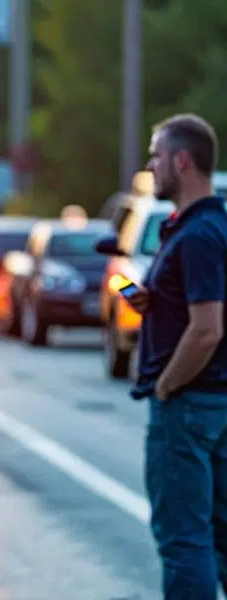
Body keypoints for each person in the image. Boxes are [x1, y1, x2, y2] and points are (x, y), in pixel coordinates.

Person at [126, 113, 227, 599]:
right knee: (219, 538)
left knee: (184, 541)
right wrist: (156, 302)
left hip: (191, 406)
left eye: (157, 154)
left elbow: (208, 329)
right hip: (215, 403)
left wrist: (166, 386)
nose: (151, 164)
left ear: (182, 161)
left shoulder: (201, 235)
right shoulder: (204, 227)